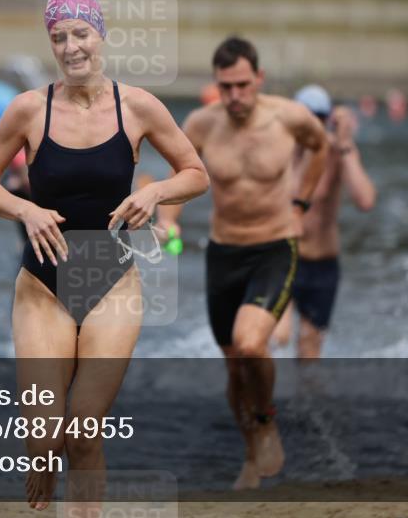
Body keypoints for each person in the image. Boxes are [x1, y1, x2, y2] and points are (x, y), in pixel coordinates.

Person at [0, 0, 208, 511]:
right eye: (59, 37)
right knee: (43, 438)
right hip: (42, 287)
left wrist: (155, 191)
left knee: (82, 429)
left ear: (101, 35)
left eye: (81, 34)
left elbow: (195, 174)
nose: (71, 47)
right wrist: (24, 208)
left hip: (112, 285)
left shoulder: (139, 107)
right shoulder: (28, 111)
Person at [157, 36, 329, 490]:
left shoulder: (288, 117)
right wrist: (169, 221)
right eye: (225, 86)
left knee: (251, 344)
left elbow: (321, 146)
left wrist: (301, 202)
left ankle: (267, 421)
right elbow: (175, 177)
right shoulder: (201, 124)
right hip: (223, 253)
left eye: (242, 85)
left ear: (259, 79)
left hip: (275, 247)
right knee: (234, 364)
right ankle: (252, 452)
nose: (234, 96)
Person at [271, 86, 377, 358]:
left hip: (322, 265)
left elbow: (365, 200)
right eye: (305, 117)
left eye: (318, 117)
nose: (311, 124)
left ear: (327, 119)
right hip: (282, 258)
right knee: (277, 337)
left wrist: (345, 144)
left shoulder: (338, 153)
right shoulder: (279, 150)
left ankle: (304, 400)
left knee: (309, 353)